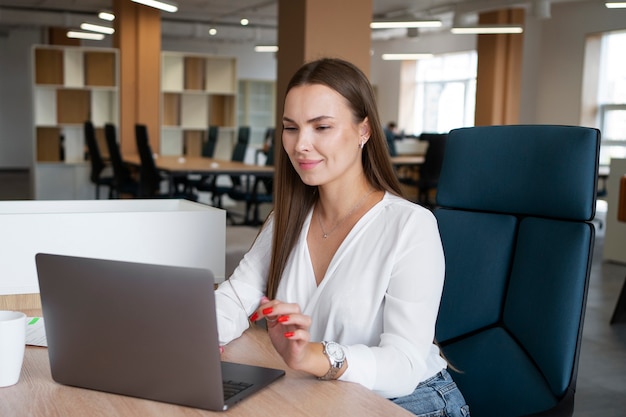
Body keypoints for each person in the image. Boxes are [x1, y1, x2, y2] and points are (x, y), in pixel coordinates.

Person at [214, 58, 470, 417]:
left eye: (321, 127)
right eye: (290, 128)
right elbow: (236, 299)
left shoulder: (410, 225)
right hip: (327, 393)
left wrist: (315, 355)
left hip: (410, 401)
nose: (301, 144)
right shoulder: (286, 221)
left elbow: (405, 364)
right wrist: (191, 333)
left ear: (363, 130)